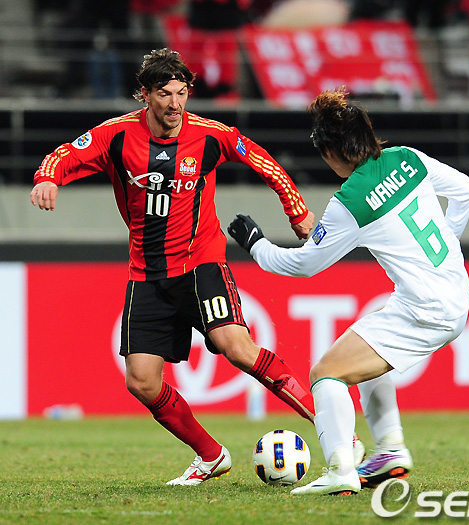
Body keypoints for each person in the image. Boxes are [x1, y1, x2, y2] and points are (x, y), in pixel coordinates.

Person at [30, 48, 322, 486]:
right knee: (141, 382)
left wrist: (296, 210)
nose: (174, 103)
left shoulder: (210, 135)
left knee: (235, 346)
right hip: (146, 272)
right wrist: (46, 178)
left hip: (200, 261)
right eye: (164, 94)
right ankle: (211, 456)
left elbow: (265, 162)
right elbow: (63, 155)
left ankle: (335, 431)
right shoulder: (115, 136)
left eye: (181, 93)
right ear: (144, 95)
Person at [228, 86, 469, 495]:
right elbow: (466, 190)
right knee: (366, 347)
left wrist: (256, 245)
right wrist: (449, 242)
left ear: (332, 152)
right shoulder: (407, 158)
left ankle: (341, 469)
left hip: (426, 309)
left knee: (325, 374)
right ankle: (390, 450)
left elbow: (304, 265)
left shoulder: (350, 202)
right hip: (453, 293)